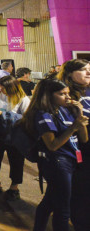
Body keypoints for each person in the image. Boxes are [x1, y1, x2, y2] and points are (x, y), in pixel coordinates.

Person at [19, 78, 88, 231]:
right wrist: (73, 128)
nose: (68, 97)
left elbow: (84, 139)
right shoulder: (43, 114)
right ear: (48, 95)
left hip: (71, 160)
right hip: (57, 162)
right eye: (62, 94)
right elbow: (52, 145)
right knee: (63, 208)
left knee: (49, 202)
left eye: (68, 93)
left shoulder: (66, 109)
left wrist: (79, 115)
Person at [0, 76, 30, 200]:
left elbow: (27, 118)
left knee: (16, 160)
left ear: (11, 87)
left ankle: (14, 188)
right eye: (0, 87)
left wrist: (5, 115)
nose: (0, 89)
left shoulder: (23, 99)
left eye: (3, 87)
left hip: (15, 134)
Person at [57, 59, 90, 229]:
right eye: (84, 70)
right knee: (81, 193)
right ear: (70, 73)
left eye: (89, 69)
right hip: (78, 151)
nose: (88, 72)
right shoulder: (66, 95)